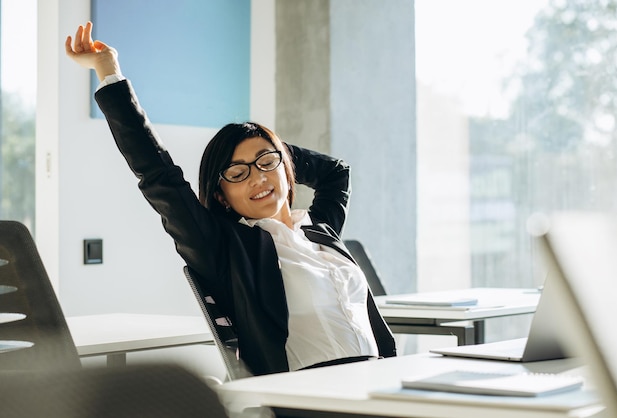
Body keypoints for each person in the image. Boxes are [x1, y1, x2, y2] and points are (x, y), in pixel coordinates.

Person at [65, 21, 396, 376]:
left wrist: (273, 151)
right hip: (309, 397)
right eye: (238, 173)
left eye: (266, 163)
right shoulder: (229, 250)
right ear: (222, 196)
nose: (258, 178)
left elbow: (336, 172)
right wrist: (108, 73)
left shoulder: (319, 231)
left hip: (376, 382)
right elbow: (157, 175)